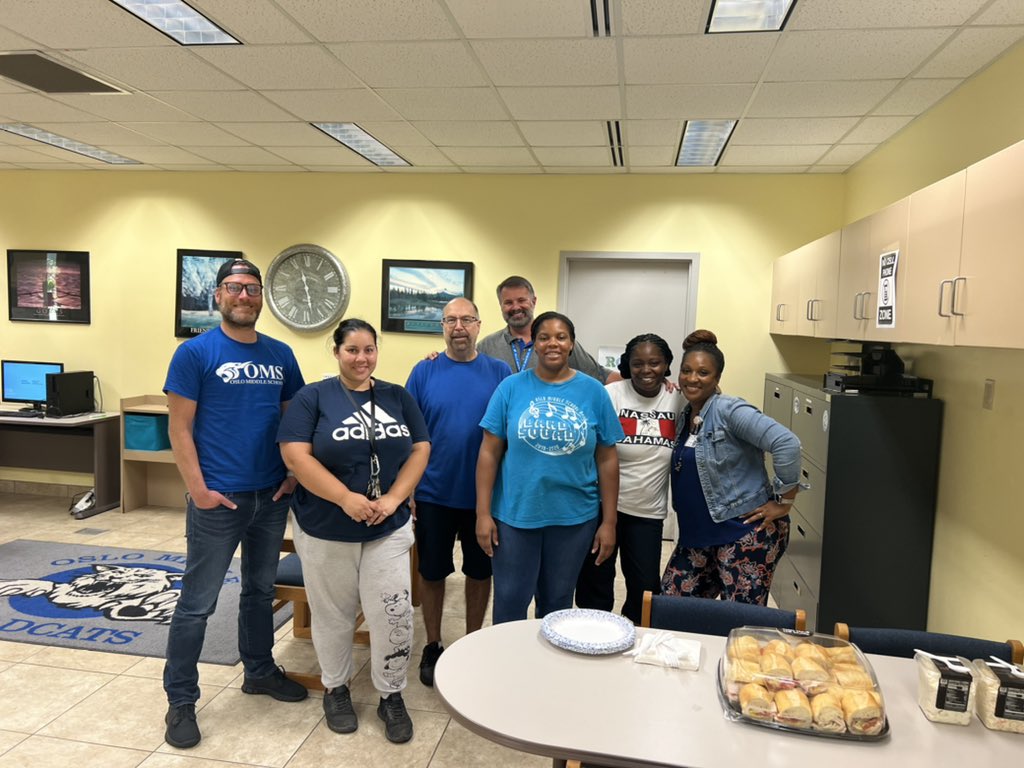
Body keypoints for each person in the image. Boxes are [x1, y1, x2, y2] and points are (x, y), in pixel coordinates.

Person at [162, 258, 307, 750]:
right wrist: (198, 489)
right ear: (218, 296)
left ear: (260, 297)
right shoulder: (194, 353)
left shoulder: (281, 354)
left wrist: (290, 474)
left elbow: (294, 422)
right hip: (216, 499)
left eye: (251, 288)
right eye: (234, 288)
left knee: (258, 590)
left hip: (269, 495)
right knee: (197, 604)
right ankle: (180, 699)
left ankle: (259, 671)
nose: (244, 296)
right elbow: (179, 428)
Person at [278, 318, 429, 744]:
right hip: (326, 528)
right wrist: (345, 498)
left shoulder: (398, 396)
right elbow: (296, 455)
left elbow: (421, 447)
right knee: (334, 616)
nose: (361, 358)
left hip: (388, 528)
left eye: (369, 350)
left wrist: (396, 497)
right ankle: (336, 688)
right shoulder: (314, 397)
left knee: (392, 613)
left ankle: (391, 693)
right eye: (352, 350)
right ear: (336, 352)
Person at [476, 311, 624, 624]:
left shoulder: (594, 391)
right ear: (535, 344)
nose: (552, 343)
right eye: (544, 337)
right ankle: (509, 670)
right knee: (510, 601)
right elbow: (489, 453)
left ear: (571, 344)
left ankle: (547, 671)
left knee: (557, 604)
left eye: (561, 337)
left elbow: (608, 458)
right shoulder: (510, 388)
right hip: (515, 515)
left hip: (574, 518)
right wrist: (483, 513)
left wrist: (609, 521)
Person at [405, 298, 511, 686]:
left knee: (480, 573)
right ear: (442, 327)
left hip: (485, 498)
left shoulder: (500, 372)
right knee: (432, 573)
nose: (459, 326)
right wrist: (410, 488)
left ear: (479, 326)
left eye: (466, 319)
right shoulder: (424, 371)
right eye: (451, 320)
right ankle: (432, 644)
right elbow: (410, 435)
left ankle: (472, 643)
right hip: (433, 494)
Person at [661, 330, 801, 605]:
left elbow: (787, 443)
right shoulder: (687, 412)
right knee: (671, 605)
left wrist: (784, 501)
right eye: (686, 370)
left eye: (703, 372)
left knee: (740, 622)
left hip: (742, 533)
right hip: (698, 535)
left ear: (717, 378)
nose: (692, 378)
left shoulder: (729, 410)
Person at [575, 334, 682, 623]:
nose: (646, 370)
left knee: (644, 590)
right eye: (638, 364)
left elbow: (714, 395)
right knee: (595, 583)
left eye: (655, 363)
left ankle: (635, 646)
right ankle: (592, 638)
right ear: (627, 365)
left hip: (647, 512)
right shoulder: (611, 394)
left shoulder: (678, 398)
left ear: (667, 365)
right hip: (600, 507)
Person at [476, 275, 620, 383]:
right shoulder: (487, 346)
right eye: (508, 302)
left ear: (533, 301)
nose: (516, 307)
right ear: (500, 305)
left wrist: (637, 382)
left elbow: (601, 375)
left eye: (521, 300)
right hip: (503, 422)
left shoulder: (558, 343)